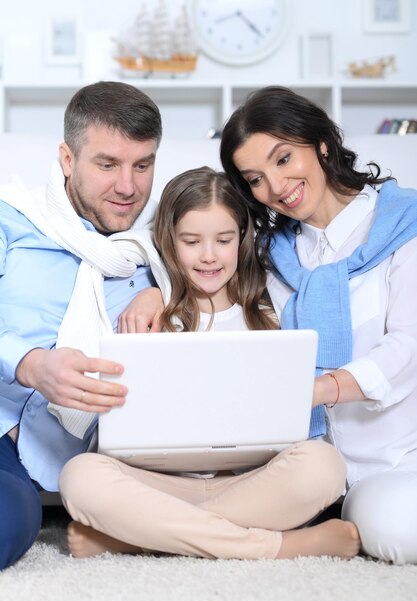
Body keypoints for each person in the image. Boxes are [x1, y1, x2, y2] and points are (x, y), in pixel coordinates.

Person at [59, 166, 360, 562]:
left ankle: (136, 539)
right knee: (80, 477)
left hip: (250, 481)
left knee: (324, 465)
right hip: (159, 482)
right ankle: (280, 546)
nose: (208, 256)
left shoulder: (271, 312)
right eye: (191, 241)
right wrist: (153, 296)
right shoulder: (148, 313)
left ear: (241, 239)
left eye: (223, 240)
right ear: (168, 242)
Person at [219, 85, 417, 564]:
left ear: (321, 143)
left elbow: (408, 344)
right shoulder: (272, 257)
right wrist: (148, 285)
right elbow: (188, 244)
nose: (276, 186)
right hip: (319, 466)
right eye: (255, 179)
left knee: (401, 528)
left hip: (400, 455)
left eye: (284, 158)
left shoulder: (403, 224)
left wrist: (320, 388)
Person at [0, 80, 164, 569]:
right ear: (67, 160)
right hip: (4, 431)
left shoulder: (164, 243)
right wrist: (28, 364)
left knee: (13, 518)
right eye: (107, 164)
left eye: (143, 164)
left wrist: (165, 289)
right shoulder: (13, 220)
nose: (128, 187)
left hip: (104, 460)